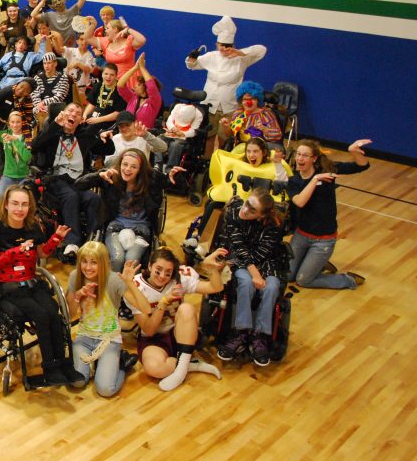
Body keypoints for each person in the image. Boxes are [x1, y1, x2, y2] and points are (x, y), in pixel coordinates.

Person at [0, 184, 76, 386]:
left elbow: (42, 253)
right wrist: (16, 251)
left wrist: (56, 238)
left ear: (30, 207)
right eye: (15, 203)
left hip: (31, 282)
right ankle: (50, 368)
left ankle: (64, 364)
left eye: (24, 204)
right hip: (9, 286)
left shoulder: (33, 227)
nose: (20, 209)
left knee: (53, 311)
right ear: (6, 205)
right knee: (40, 315)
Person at [129, 247, 226, 390]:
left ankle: (180, 370)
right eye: (158, 270)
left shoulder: (179, 278)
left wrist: (211, 268)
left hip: (180, 334)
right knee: (153, 369)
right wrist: (163, 303)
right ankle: (188, 364)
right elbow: (149, 330)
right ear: (149, 266)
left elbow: (215, 287)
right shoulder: (135, 286)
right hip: (153, 338)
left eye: (168, 273)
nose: (162, 276)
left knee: (186, 308)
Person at [66, 241, 151, 397]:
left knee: (105, 389)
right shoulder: (75, 276)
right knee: (77, 381)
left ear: (104, 263)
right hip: (84, 337)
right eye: (84, 261)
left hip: (109, 340)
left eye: (94, 262)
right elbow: (69, 316)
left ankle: (122, 364)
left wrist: (129, 283)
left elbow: (146, 308)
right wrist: (78, 296)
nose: (88, 267)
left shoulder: (113, 280)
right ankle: (97, 364)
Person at [215, 190, 287, 366]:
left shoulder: (274, 224)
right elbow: (239, 247)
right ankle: (241, 331)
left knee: (271, 288)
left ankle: (261, 336)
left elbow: (264, 252)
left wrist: (259, 275)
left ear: (262, 216)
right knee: (246, 283)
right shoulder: (233, 212)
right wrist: (254, 275)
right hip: (240, 259)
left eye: (252, 210)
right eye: (247, 203)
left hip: (268, 260)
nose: (245, 210)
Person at [31, 103, 112, 258]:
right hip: (55, 179)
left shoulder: (84, 136)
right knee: (70, 196)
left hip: (79, 181)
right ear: (63, 114)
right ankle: (72, 242)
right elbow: (35, 146)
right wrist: (55, 125)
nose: (73, 115)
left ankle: (92, 241)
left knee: (93, 198)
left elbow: (107, 150)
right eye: (70, 111)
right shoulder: (53, 133)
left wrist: (105, 138)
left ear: (81, 119)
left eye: (78, 113)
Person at [288, 138, 371, 289]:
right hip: (301, 235)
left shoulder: (327, 171)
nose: (300, 158)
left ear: (314, 158)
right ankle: (317, 263)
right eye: (298, 154)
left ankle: (347, 280)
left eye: (305, 155)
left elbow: (362, 166)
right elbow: (300, 201)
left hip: (323, 240)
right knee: (287, 275)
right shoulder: (294, 180)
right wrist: (315, 179)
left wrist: (353, 152)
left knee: (303, 281)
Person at [75, 148, 164, 271]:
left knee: (131, 260)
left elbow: (175, 182)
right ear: (120, 164)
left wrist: (176, 175)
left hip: (141, 230)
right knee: (117, 258)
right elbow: (78, 184)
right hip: (115, 227)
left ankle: (130, 289)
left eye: (134, 167)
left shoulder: (151, 182)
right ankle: (114, 287)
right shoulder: (111, 178)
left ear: (140, 169)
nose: (127, 169)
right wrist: (98, 175)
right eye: (125, 164)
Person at [186, 15, 268, 139]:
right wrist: (192, 58)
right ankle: (207, 158)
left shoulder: (241, 59)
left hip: (230, 106)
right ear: (217, 44)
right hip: (209, 103)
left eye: (228, 45)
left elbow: (262, 50)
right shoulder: (211, 56)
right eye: (222, 45)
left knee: (225, 137)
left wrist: (240, 52)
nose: (225, 48)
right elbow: (191, 65)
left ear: (233, 45)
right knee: (207, 136)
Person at [85, 17, 146, 86]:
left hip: (129, 80)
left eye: (107, 28)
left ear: (115, 29)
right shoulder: (105, 42)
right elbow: (87, 38)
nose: (105, 31)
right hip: (112, 79)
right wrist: (93, 24)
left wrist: (128, 30)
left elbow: (142, 40)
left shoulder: (129, 42)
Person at [222, 80, 282, 145]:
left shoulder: (266, 114)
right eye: (245, 99)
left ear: (257, 100)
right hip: (240, 147)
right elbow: (229, 135)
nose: (249, 102)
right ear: (241, 101)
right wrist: (227, 127)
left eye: (252, 99)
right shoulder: (238, 113)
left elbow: (278, 135)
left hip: (260, 149)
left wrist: (265, 129)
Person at [102, 112, 167, 166]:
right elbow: (107, 163)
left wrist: (146, 135)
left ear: (135, 122)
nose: (124, 129)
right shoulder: (115, 139)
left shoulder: (144, 137)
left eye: (127, 125)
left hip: (141, 176)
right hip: (119, 175)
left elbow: (163, 148)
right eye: (121, 126)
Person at [117, 53, 162, 128]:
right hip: (127, 133)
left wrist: (142, 68)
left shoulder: (154, 100)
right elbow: (120, 85)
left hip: (143, 136)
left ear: (145, 87)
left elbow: (151, 87)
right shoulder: (133, 97)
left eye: (139, 85)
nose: (135, 86)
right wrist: (135, 68)